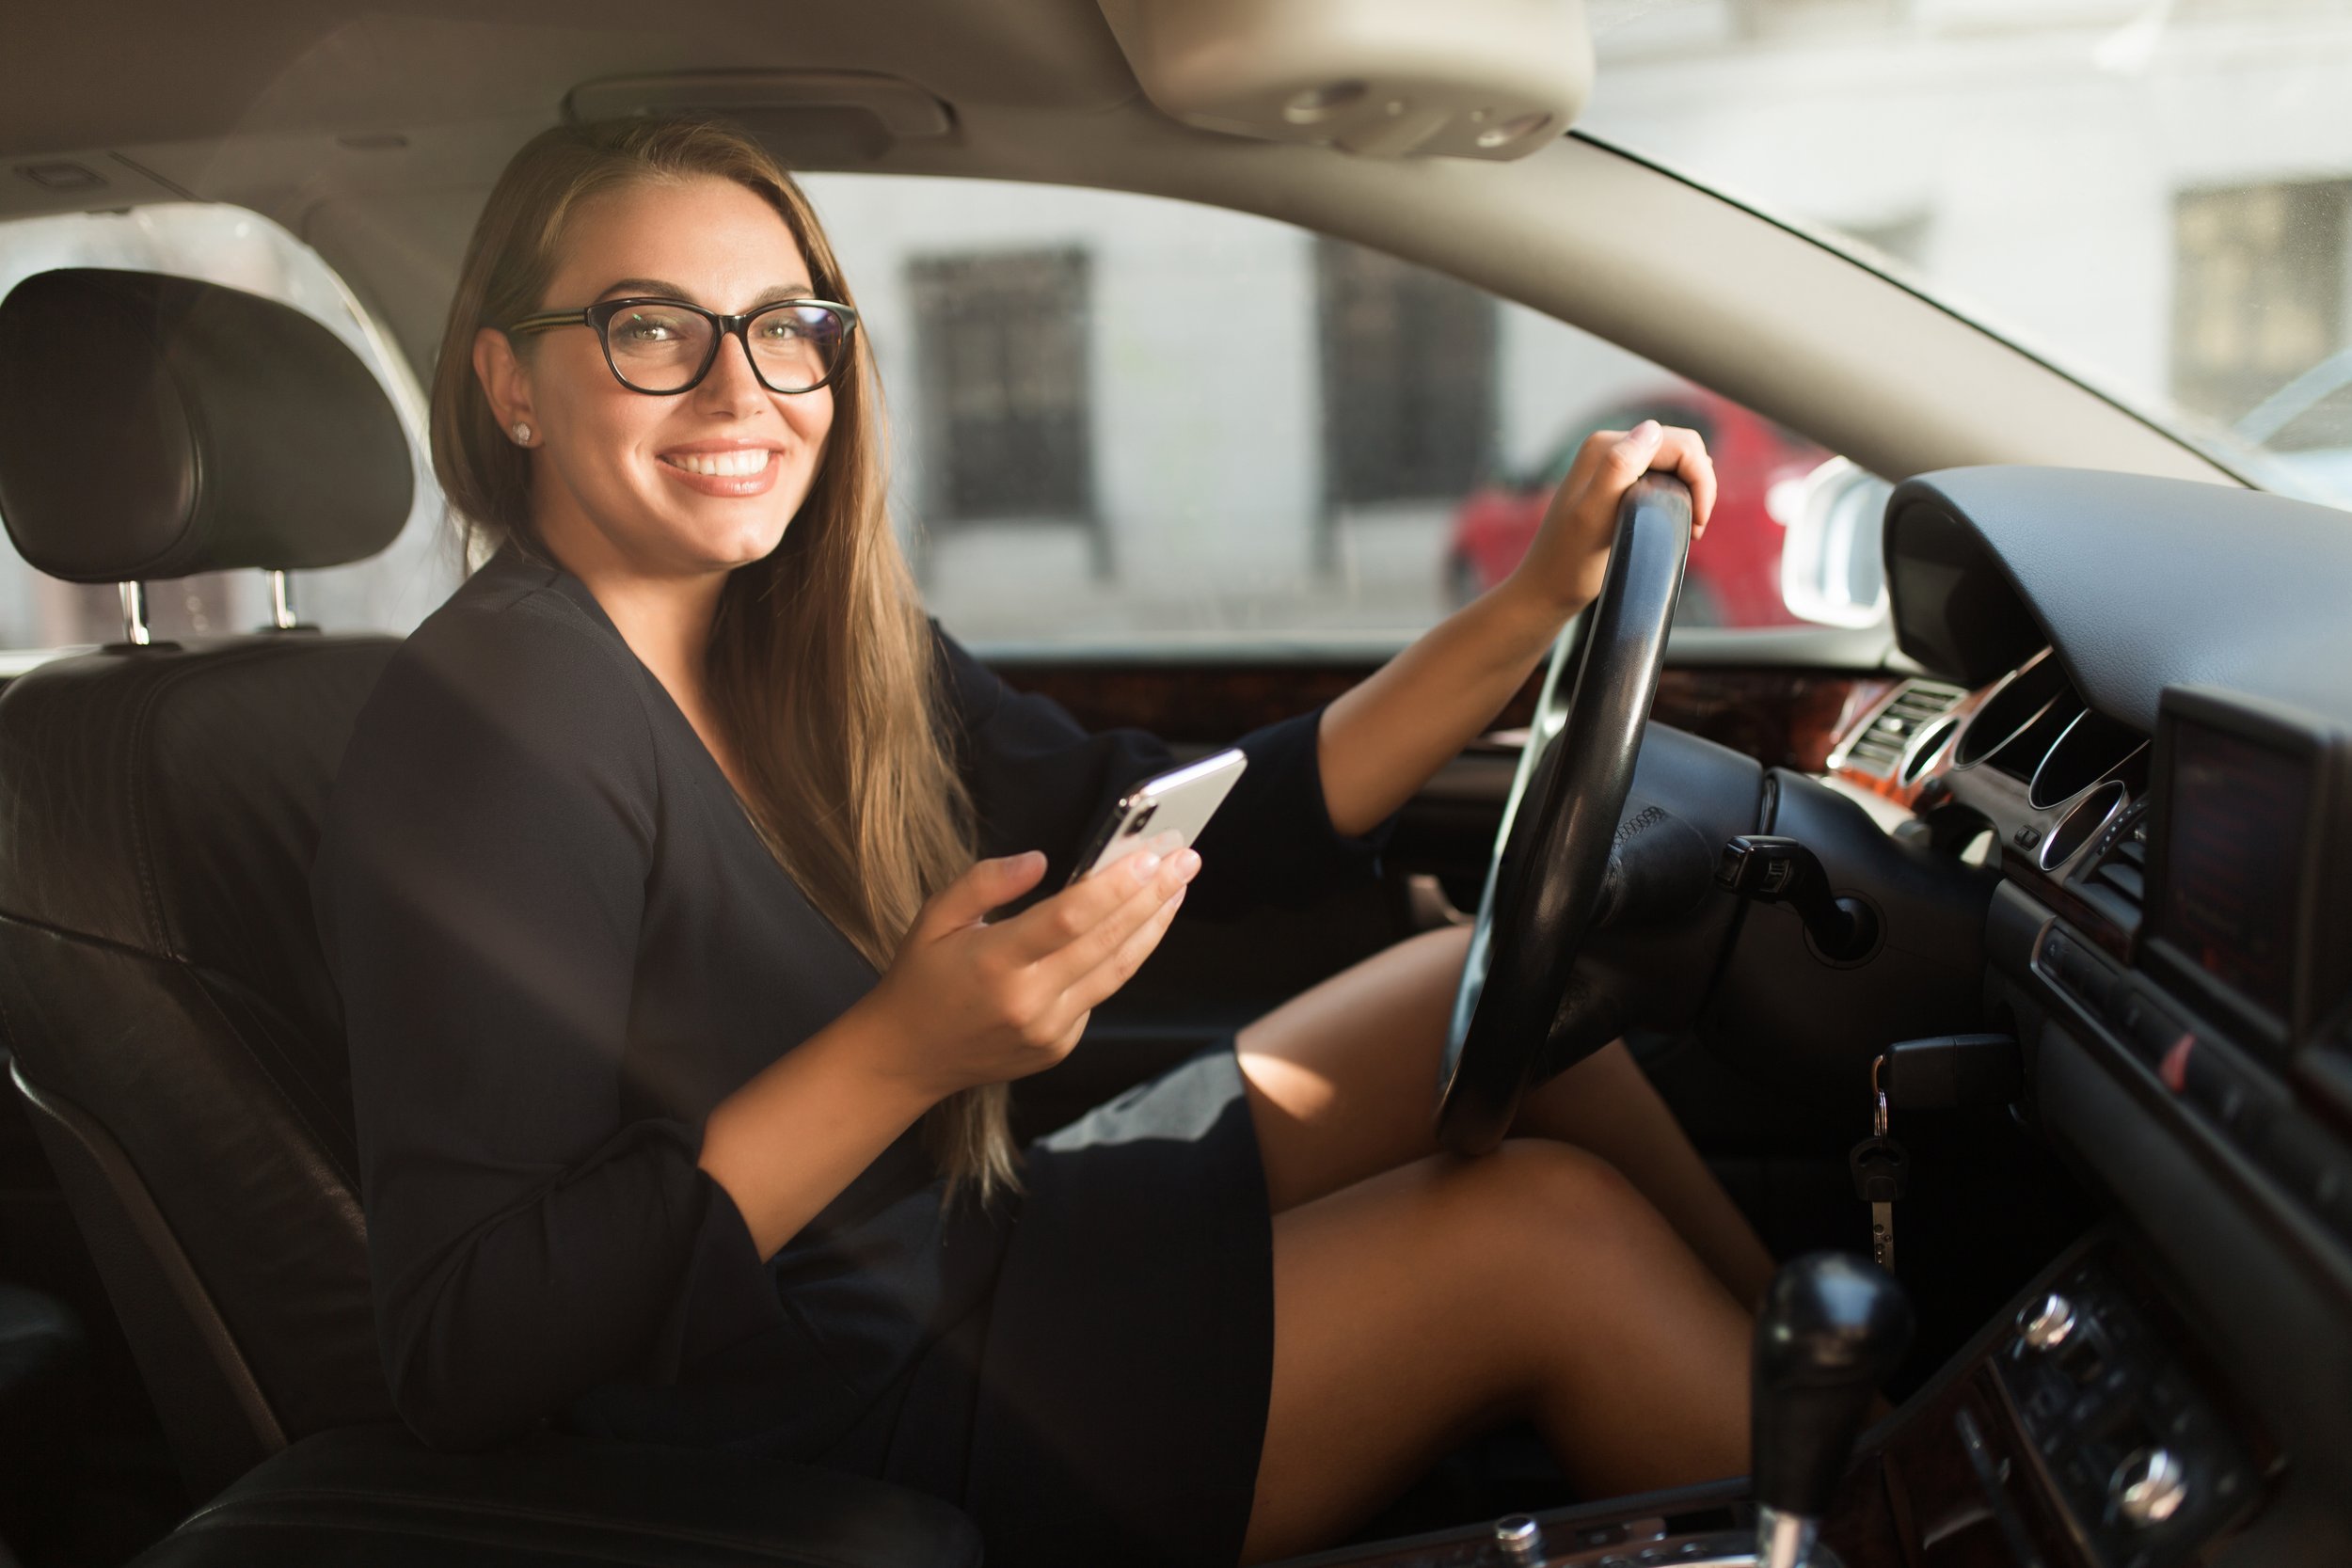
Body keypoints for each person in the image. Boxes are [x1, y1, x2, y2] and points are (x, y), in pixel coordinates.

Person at [314, 117, 1770, 1568]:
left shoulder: (807, 647)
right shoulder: (494, 724)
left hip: (959, 1248)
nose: (738, 388)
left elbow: (1194, 818)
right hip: (804, 1417)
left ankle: (1859, 1426)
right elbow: (469, 1340)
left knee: (1500, 991)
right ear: (510, 383)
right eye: (651, 330)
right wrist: (905, 1052)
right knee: (1547, 1239)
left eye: (784, 329)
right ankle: (1897, 1509)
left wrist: (1526, 610)